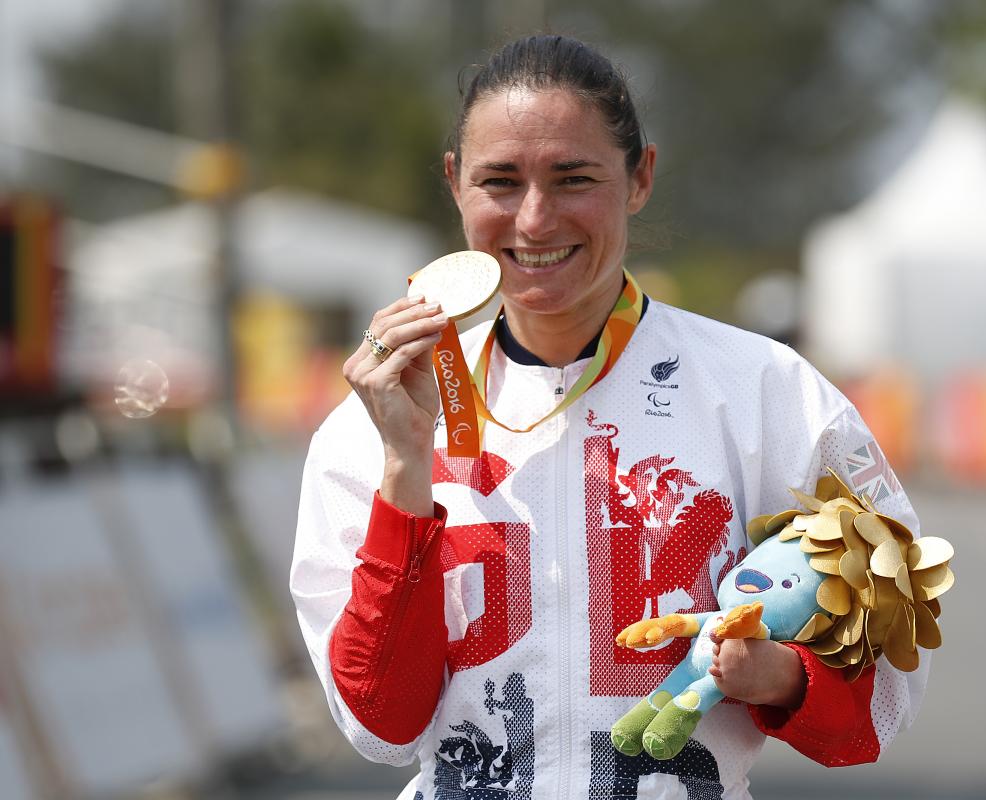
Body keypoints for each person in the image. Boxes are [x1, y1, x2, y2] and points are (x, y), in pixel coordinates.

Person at [291, 34, 928, 799]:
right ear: (455, 183)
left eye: (572, 178)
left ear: (639, 178)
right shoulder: (374, 419)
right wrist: (404, 468)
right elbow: (380, 727)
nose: (533, 219)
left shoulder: (767, 392)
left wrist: (780, 676)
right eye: (500, 180)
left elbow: (878, 704)